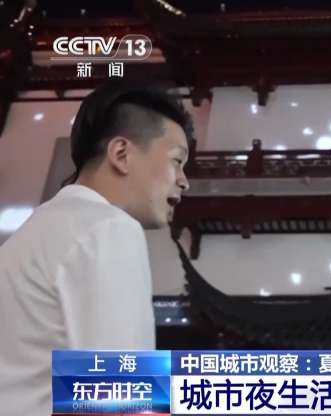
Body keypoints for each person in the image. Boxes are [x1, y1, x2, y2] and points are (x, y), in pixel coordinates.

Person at [0, 79, 193, 416]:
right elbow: (121, 398)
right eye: (177, 161)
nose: (184, 181)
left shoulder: (31, 235)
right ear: (121, 154)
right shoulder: (108, 228)